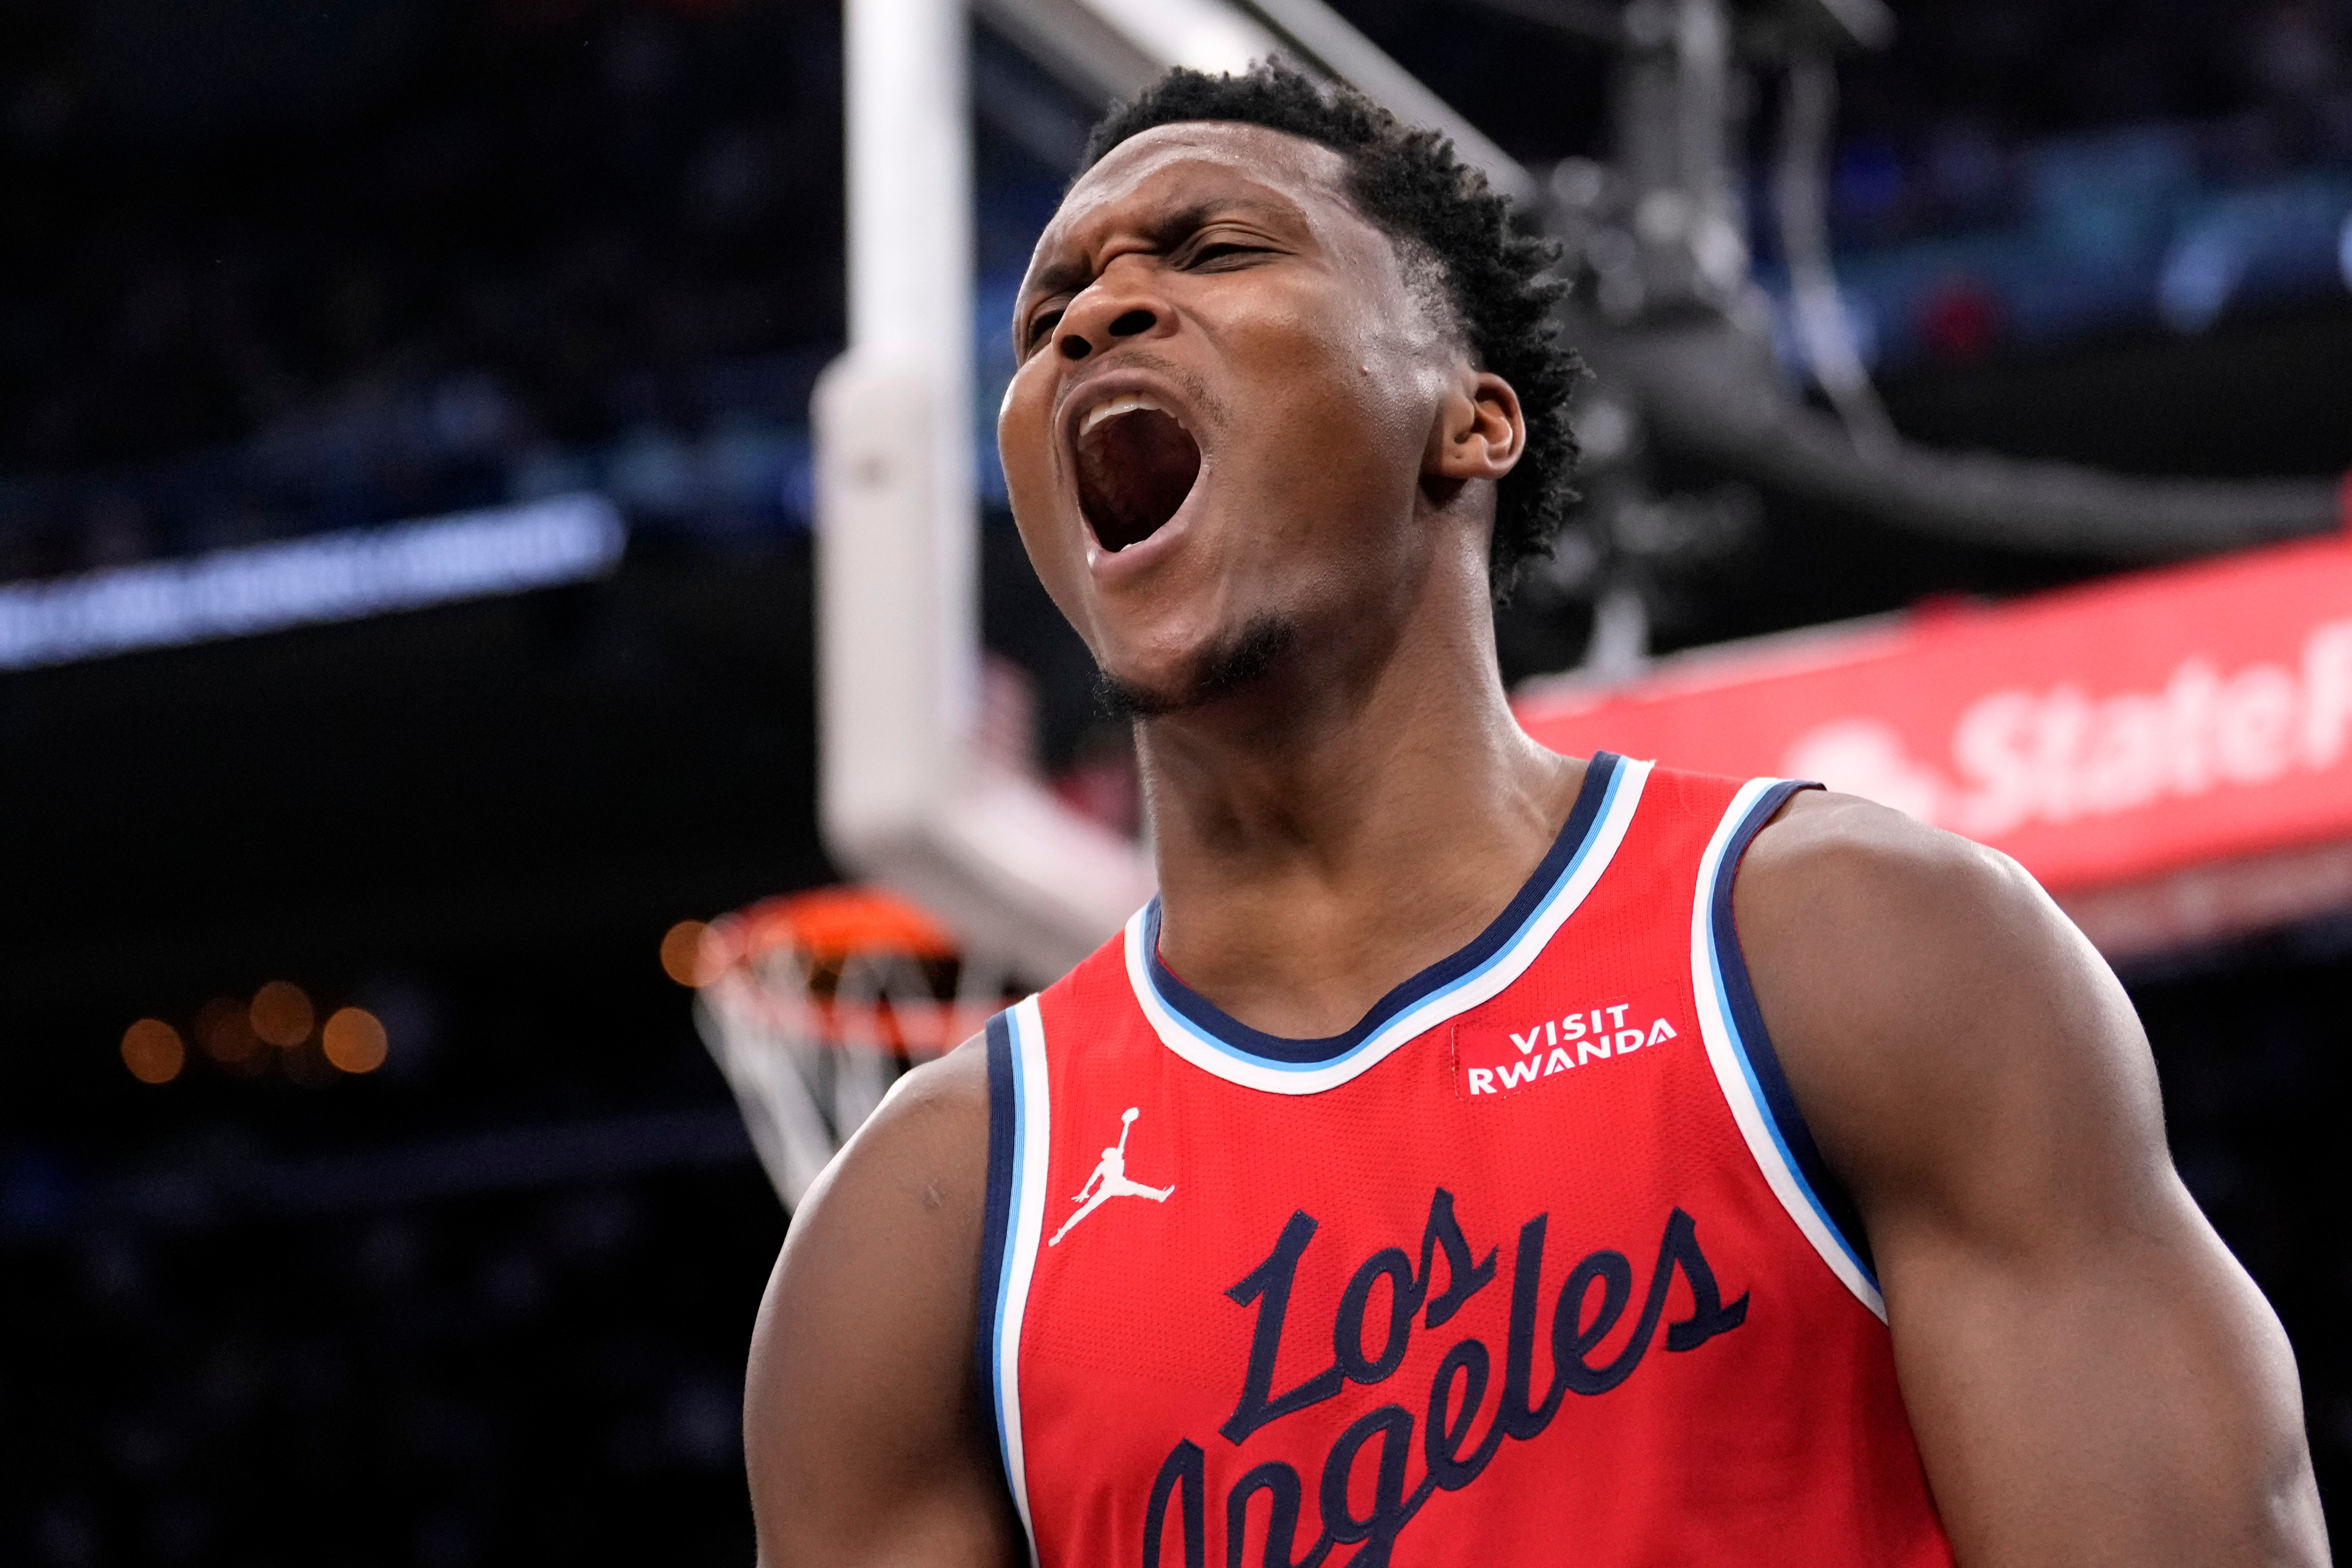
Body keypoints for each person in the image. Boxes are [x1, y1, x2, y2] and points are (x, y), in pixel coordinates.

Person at [745, 62, 2327, 1567]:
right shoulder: (922, 1229)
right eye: (1047, 314)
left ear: (1472, 420)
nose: (1096, 314)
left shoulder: (1854, 950)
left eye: (1215, 248)